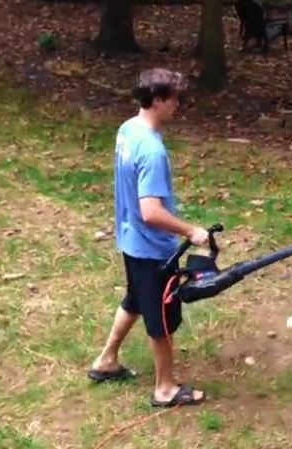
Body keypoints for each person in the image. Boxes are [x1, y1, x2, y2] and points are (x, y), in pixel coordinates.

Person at [87, 68, 209, 407]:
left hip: (130, 239)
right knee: (160, 319)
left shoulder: (128, 129)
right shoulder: (152, 151)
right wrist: (191, 231)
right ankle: (165, 389)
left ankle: (106, 361)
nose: (178, 106)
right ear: (157, 100)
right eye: (174, 99)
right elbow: (151, 211)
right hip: (151, 248)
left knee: (136, 300)